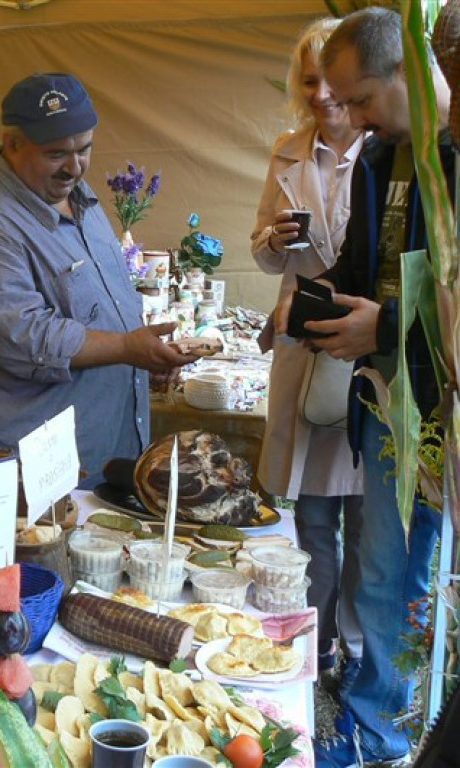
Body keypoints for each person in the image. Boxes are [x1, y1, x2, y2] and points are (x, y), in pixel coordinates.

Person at [272, 7, 448, 767]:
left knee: (391, 569)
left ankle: (382, 730)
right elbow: (354, 265)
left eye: (361, 98)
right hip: (377, 397)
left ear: (410, 70)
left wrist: (388, 324)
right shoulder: (382, 160)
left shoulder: (450, 160)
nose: (349, 116)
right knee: (378, 566)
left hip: (428, 410)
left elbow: (451, 300)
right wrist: (313, 303)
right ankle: (374, 707)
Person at [0, 72, 194, 487]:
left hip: (77, 451)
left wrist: (141, 359)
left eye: (84, 149)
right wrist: (126, 348)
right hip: (2, 462)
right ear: (12, 143)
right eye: (56, 154)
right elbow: (22, 339)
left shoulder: (74, 196)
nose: (74, 167)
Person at [250, 17, 365, 681]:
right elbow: (262, 255)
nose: (322, 93)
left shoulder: (386, 152)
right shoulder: (288, 150)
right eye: (311, 79)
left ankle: (354, 644)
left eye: (333, 79)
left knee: (367, 514)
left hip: (362, 347)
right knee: (313, 510)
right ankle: (317, 645)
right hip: (302, 348)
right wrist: (276, 241)